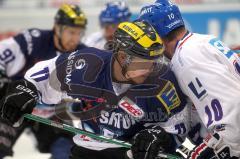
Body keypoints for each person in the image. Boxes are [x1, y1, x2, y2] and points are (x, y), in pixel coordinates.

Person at [0, 20, 193, 159]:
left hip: (132, 153)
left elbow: (179, 121)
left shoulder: (162, 80)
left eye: (155, 61)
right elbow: (44, 73)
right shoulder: (88, 64)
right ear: (123, 56)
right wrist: (28, 89)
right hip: (87, 149)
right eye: (144, 62)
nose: (151, 68)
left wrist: (161, 136)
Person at [138, 0, 240, 158]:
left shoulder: (187, 60)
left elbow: (231, 116)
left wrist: (214, 150)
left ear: (156, 34)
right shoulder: (201, 40)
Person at [0, 4, 87, 159]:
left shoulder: (84, 54)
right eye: (71, 32)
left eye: (79, 33)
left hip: (51, 114)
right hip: (14, 106)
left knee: (66, 152)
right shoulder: (32, 40)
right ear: (57, 28)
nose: (75, 38)